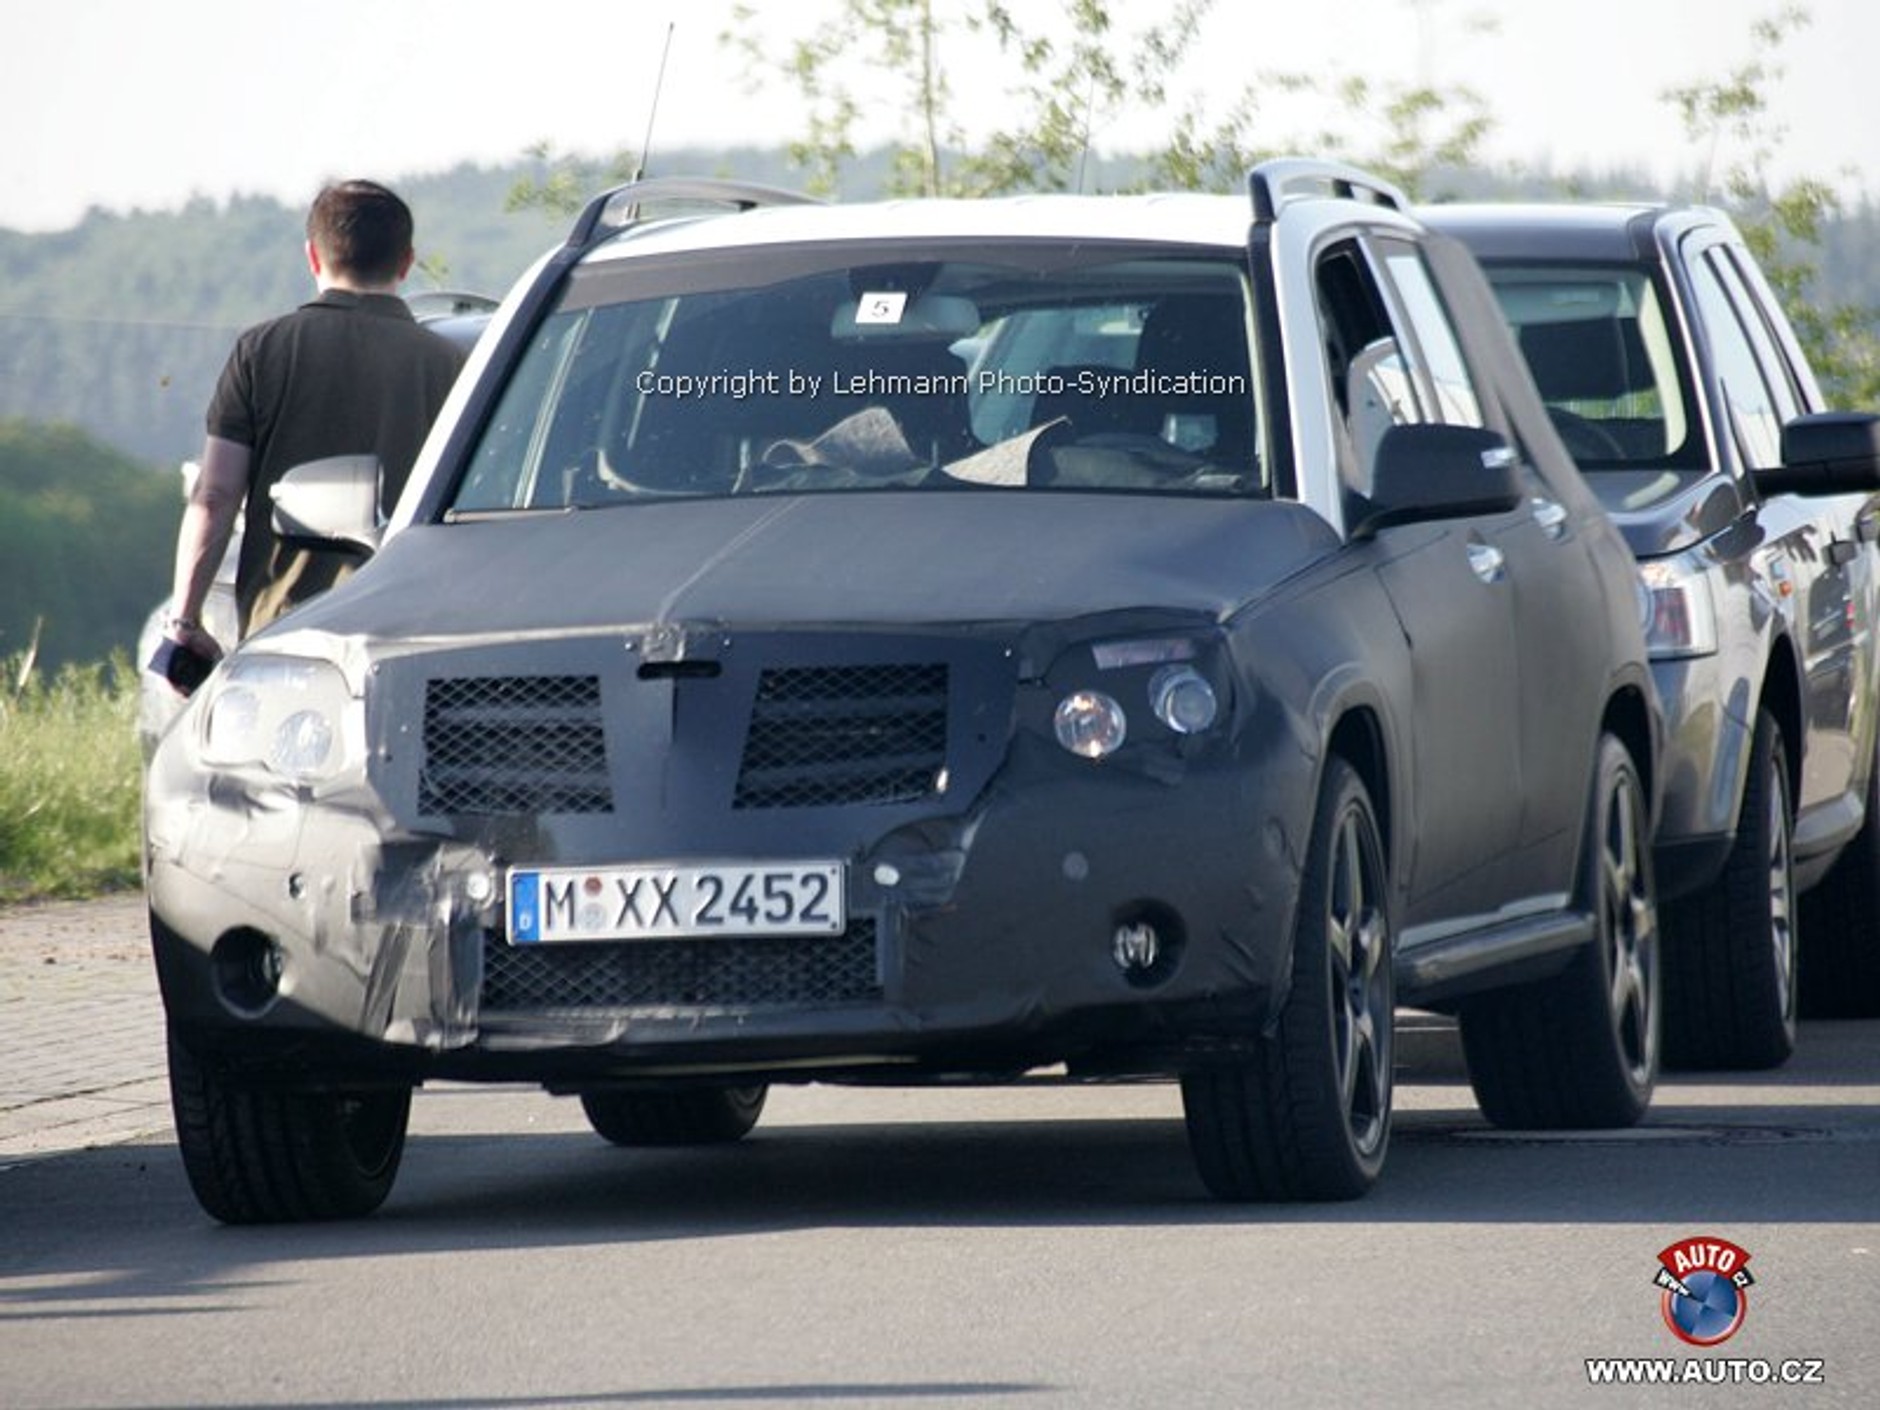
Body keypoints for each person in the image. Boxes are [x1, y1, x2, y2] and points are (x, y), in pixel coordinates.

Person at [159, 179, 467, 677]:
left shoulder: (262, 351)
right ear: (406, 262)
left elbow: (215, 497)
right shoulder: (453, 366)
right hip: (412, 633)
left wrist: (186, 620)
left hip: (283, 631)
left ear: (313, 257)